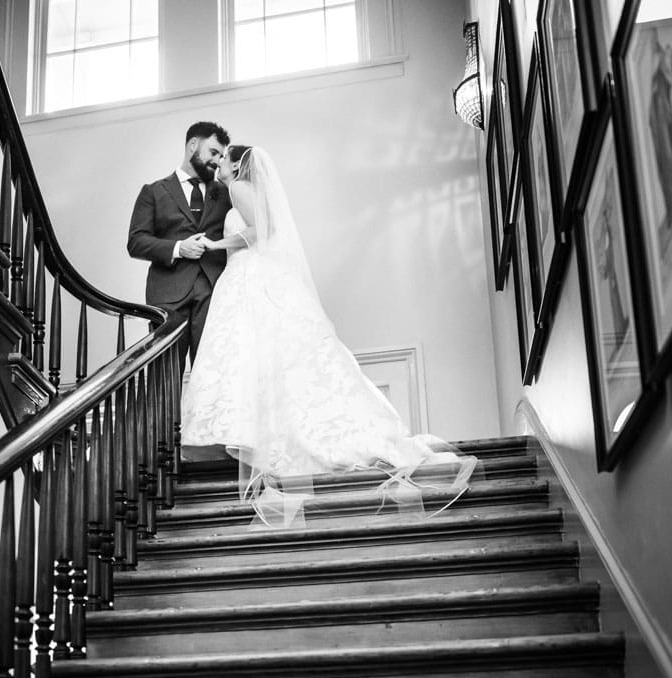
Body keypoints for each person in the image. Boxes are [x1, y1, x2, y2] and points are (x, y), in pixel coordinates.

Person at [181, 144, 478, 527]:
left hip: (248, 275)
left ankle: (264, 435)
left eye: (223, 158)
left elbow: (260, 231)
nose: (217, 163)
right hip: (255, 275)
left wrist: (215, 244)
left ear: (238, 165)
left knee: (253, 356)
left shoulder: (239, 189)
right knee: (270, 358)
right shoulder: (245, 190)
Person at [127, 122, 233, 368]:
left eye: (221, 156)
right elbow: (136, 242)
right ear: (193, 145)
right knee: (165, 375)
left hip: (215, 293)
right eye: (213, 152)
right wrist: (178, 248)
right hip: (168, 297)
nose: (217, 161)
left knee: (212, 373)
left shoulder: (227, 193)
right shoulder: (153, 191)